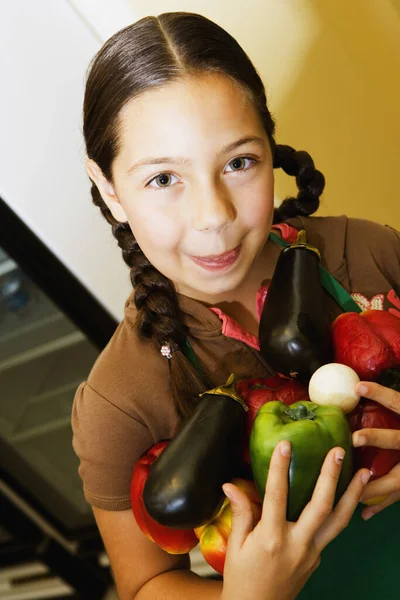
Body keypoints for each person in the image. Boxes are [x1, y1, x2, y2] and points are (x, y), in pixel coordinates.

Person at [71, 12, 400, 600]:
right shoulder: (118, 403)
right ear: (110, 190)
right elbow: (147, 583)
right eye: (164, 179)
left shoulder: (372, 253)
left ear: (271, 151)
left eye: (239, 163)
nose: (214, 215)